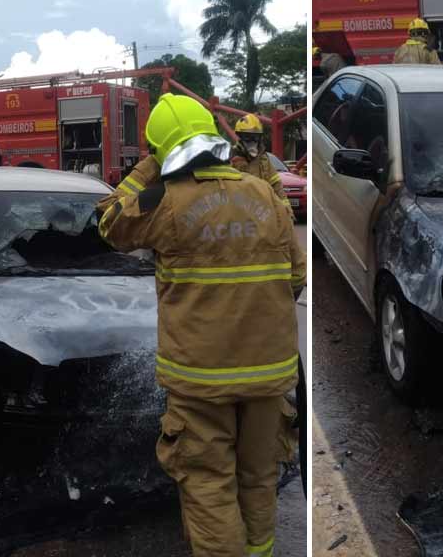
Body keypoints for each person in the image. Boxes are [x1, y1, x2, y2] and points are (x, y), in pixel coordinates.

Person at [96, 93, 305, 557]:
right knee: (259, 477)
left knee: (209, 483)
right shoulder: (266, 197)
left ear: (162, 149)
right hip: (269, 373)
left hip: (200, 379)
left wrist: (151, 167)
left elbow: (108, 222)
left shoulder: (164, 202)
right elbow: (296, 277)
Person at [231, 113, 286, 202]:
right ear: (240, 137)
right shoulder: (231, 157)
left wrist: (287, 211)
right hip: (240, 207)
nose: (252, 141)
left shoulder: (264, 159)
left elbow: (277, 186)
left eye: (255, 137)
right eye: (247, 137)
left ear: (259, 138)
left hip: (263, 208)